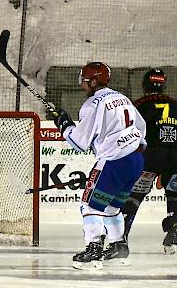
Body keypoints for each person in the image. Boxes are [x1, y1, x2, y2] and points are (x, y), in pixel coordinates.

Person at [53, 62, 147, 270]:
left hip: (114, 162)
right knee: (113, 206)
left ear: (94, 81)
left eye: (85, 81)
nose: (82, 85)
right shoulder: (122, 98)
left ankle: (93, 250)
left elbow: (79, 143)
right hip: (136, 160)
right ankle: (119, 248)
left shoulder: (93, 104)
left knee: (90, 205)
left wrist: (65, 126)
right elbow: (141, 127)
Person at [116, 68, 177, 255]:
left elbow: (130, 131)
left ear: (144, 86)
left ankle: (121, 238)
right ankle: (173, 236)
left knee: (134, 195)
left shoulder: (139, 104)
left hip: (151, 153)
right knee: (176, 195)